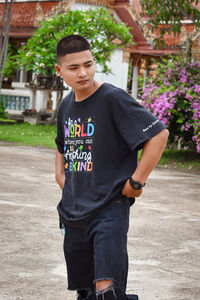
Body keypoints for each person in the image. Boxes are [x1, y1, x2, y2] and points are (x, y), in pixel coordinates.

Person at [55, 34, 169, 300]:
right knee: (84, 291)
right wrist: (60, 175)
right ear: (59, 71)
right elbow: (62, 144)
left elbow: (158, 135)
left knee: (107, 290)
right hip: (74, 212)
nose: (83, 73)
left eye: (88, 64)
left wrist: (137, 181)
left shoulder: (112, 98)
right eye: (74, 68)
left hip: (109, 208)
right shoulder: (66, 105)